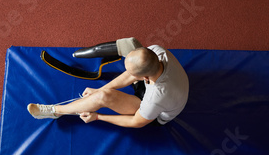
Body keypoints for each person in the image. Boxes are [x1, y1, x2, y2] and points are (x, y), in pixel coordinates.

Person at [27, 40, 189, 128]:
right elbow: (131, 75)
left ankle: (55, 111)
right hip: (162, 86)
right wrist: (100, 89)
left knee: (104, 97)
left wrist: (98, 116)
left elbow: (136, 122)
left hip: (157, 114)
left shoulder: (155, 97)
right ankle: (98, 95)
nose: (130, 75)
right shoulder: (156, 51)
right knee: (103, 92)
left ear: (144, 78)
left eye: (135, 75)